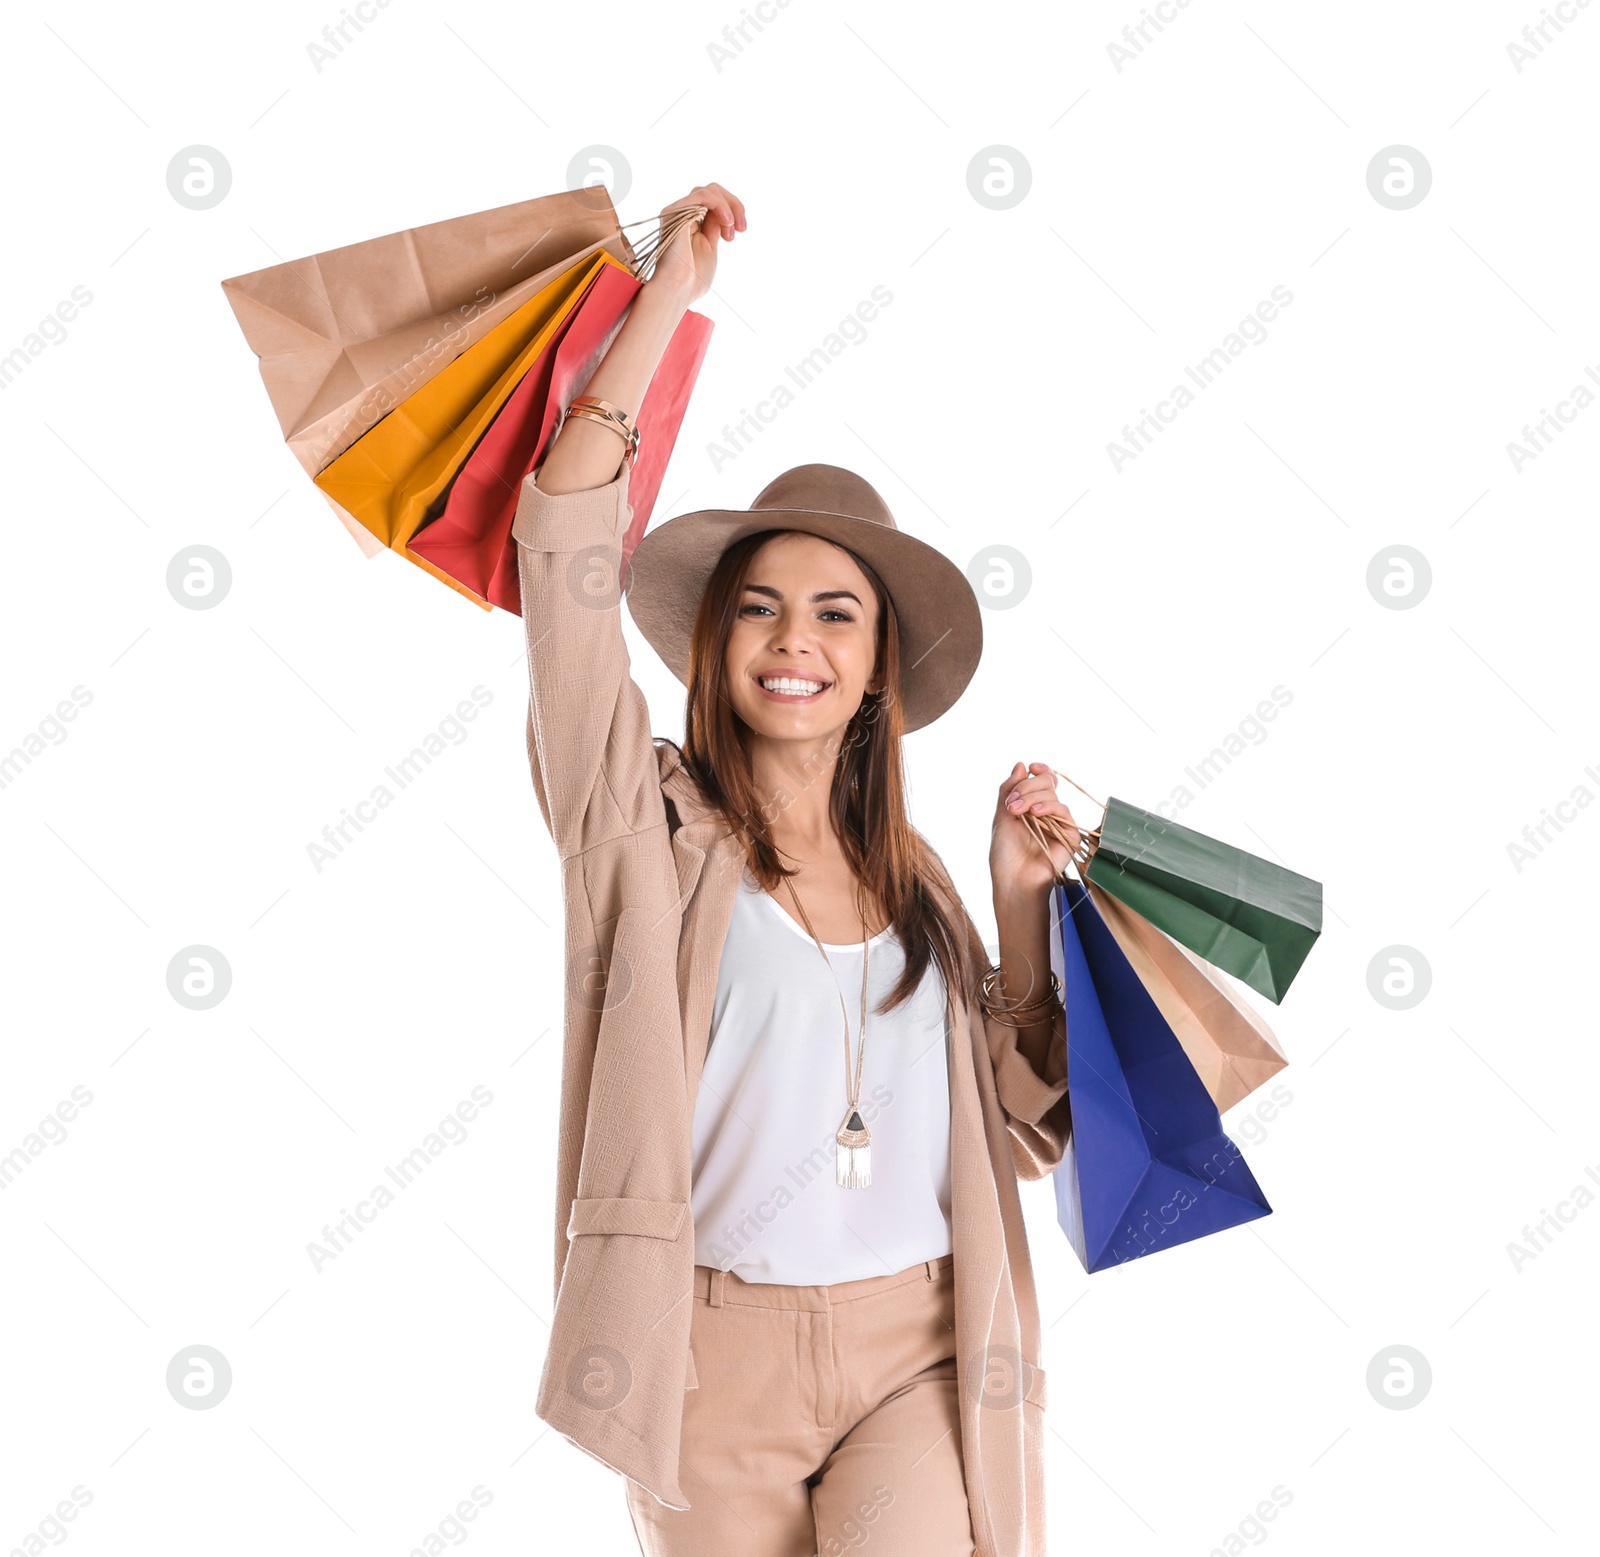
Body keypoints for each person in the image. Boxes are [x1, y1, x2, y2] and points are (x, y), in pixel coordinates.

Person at [514, 181, 1082, 1557]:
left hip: (918, 1344)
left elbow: (1025, 1120)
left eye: (836, 612)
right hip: (708, 1356)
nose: (794, 637)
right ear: (714, 644)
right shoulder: (638, 831)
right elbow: (565, 555)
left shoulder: (922, 877)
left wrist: (1015, 901)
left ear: (879, 664)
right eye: (758, 606)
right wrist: (664, 310)